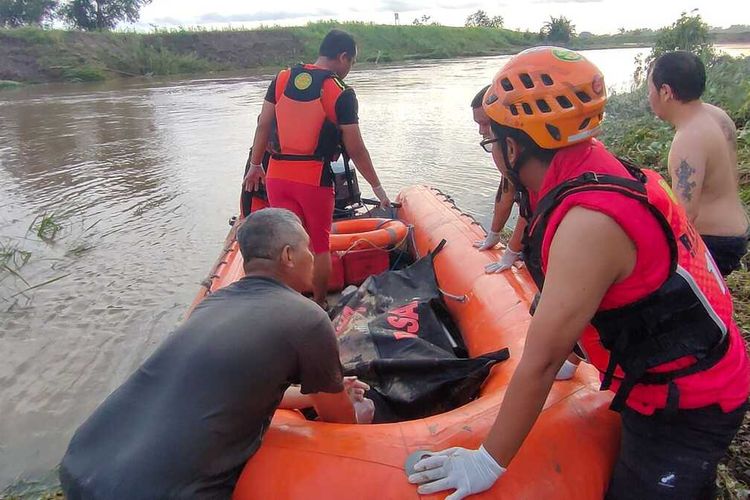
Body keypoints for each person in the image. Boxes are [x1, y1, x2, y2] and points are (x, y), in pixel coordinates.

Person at [408, 47, 749, 500]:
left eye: (492, 141)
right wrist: (575, 358)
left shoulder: (588, 221)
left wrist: (487, 460)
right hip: (677, 366)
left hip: (691, 401)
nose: (493, 152)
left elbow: (542, 357)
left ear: (513, 147)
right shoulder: (593, 166)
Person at [59, 208, 373, 500]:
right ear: (288, 255)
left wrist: (308, 397)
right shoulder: (308, 317)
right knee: (368, 408)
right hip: (152, 492)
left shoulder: (213, 304)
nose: (314, 255)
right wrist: (354, 409)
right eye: (307, 248)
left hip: (81, 464)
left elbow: (237, 385)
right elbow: (339, 419)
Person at [245, 29, 391, 308]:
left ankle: (291, 303)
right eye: (352, 62)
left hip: (276, 175)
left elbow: (263, 124)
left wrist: (255, 165)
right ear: (343, 56)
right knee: (319, 246)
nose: (350, 69)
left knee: (286, 242)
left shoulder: (282, 78)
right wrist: (378, 188)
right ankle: (320, 304)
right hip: (313, 180)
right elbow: (356, 149)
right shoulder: (340, 91)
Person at [648, 50, 749, 275]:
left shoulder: (688, 140)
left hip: (716, 242)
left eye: (650, 90)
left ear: (666, 92)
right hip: (737, 228)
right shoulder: (716, 116)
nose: (649, 97)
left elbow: (685, 214)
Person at [471, 85, 526, 273]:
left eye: (485, 123)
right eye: (478, 124)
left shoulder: (529, 150)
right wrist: (493, 235)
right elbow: (507, 190)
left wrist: (511, 251)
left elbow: (533, 207)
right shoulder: (504, 149)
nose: (481, 131)